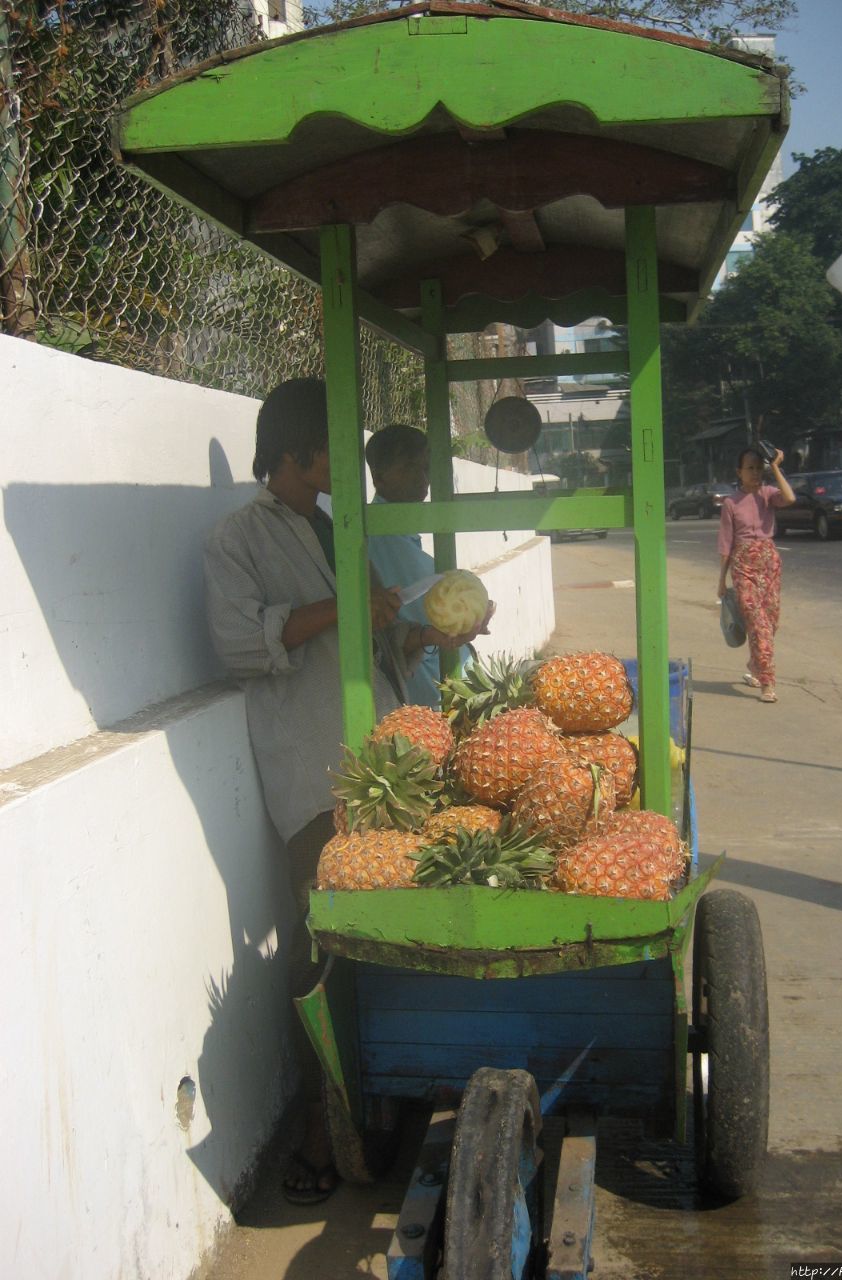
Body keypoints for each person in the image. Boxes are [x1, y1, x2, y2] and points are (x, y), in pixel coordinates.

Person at [204, 378, 490, 1204]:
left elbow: (377, 643)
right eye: (333, 444)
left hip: (388, 758)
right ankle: (325, 1131)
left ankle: (403, 1087)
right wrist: (342, 606)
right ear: (295, 453)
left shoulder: (340, 528)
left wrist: (422, 632)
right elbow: (239, 643)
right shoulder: (236, 539)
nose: (345, 458)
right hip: (315, 770)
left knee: (407, 919)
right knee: (322, 945)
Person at [365, 424, 470, 707]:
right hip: (427, 692)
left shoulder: (400, 528)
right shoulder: (383, 534)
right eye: (410, 467)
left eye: (426, 467)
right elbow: (448, 598)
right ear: (379, 478)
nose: (422, 477)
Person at [717, 446, 795, 704]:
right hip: (743, 565)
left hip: (769, 561)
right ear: (739, 472)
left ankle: (755, 665)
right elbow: (726, 544)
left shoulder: (768, 495)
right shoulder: (730, 503)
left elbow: (790, 498)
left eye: (758, 467)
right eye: (749, 468)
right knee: (758, 623)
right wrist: (721, 581)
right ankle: (767, 683)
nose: (754, 473)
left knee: (770, 622)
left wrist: (775, 466)